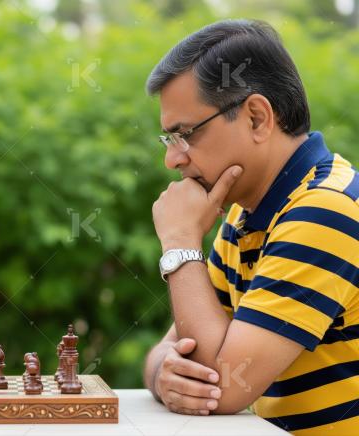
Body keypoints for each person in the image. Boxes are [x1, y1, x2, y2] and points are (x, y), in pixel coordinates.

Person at [144, 19, 359, 435]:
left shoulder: (325, 211)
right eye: (168, 140)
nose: (173, 160)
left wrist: (180, 242)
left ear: (257, 118)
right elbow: (180, 349)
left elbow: (222, 385)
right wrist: (160, 374)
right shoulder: (247, 215)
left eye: (184, 134)